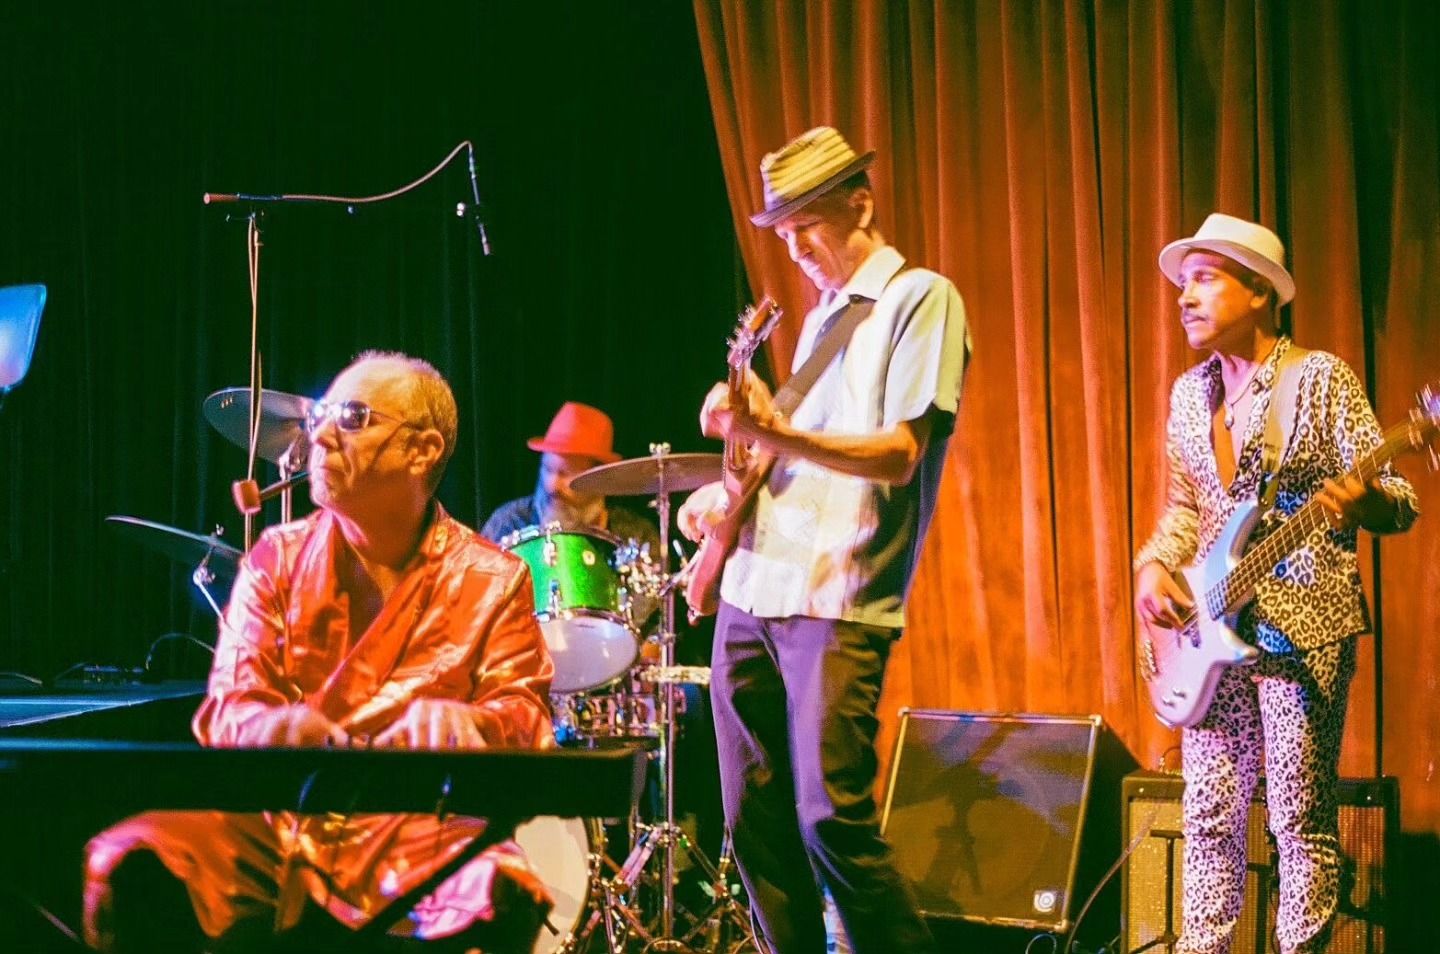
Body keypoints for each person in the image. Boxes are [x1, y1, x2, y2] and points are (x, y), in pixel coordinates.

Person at [83, 352, 557, 953]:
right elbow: (229, 708)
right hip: (278, 823)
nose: (320, 436)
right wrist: (268, 725)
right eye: (320, 417)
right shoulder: (276, 559)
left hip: (421, 833)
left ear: (423, 450)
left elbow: (525, 714)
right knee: (132, 858)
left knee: (501, 888)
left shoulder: (495, 577)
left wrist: (475, 723)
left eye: (352, 417)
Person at [679, 126, 971, 954]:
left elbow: (899, 454)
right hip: (755, 590)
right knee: (751, 820)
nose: (796, 248)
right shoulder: (815, 323)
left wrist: (769, 429)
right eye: (784, 232)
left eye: (808, 224)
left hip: (837, 596)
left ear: (860, 204)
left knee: (827, 817)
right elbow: (797, 467)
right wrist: (725, 497)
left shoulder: (921, 299)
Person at [1133, 214, 1419, 954]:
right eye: (1183, 282)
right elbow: (1187, 508)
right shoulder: (1188, 395)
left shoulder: (1319, 380)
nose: (1184, 297)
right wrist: (1153, 567)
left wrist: (1366, 503)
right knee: (1208, 819)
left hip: (1303, 627)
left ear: (1259, 291)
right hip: (1210, 632)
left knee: (1298, 822)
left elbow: (1399, 500)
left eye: (1204, 278)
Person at [480, 400, 658, 553]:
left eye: (566, 473)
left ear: (600, 478)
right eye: (547, 469)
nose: (552, 485)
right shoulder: (508, 523)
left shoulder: (636, 536)